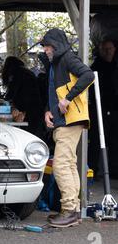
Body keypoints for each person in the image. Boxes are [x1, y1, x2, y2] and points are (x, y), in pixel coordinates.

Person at [39, 28, 94, 228]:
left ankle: (69, 210)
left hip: (71, 119)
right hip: (66, 120)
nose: (45, 49)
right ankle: (74, 211)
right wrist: (48, 110)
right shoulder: (56, 63)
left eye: (47, 45)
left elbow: (88, 75)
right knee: (69, 164)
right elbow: (54, 95)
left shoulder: (67, 59)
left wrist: (68, 99)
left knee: (61, 164)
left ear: (55, 44)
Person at [88, 40, 118, 179]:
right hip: (99, 109)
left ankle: (114, 170)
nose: (107, 51)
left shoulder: (116, 65)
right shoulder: (95, 67)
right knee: (96, 140)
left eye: (110, 48)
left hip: (115, 109)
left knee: (114, 140)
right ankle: (93, 170)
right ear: (99, 50)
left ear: (114, 49)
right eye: (104, 49)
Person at [2, 56, 45, 139]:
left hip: (28, 111)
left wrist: (5, 102)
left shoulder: (17, 74)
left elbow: (12, 93)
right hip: (35, 109)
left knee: (26, 135)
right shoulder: (26, 73)